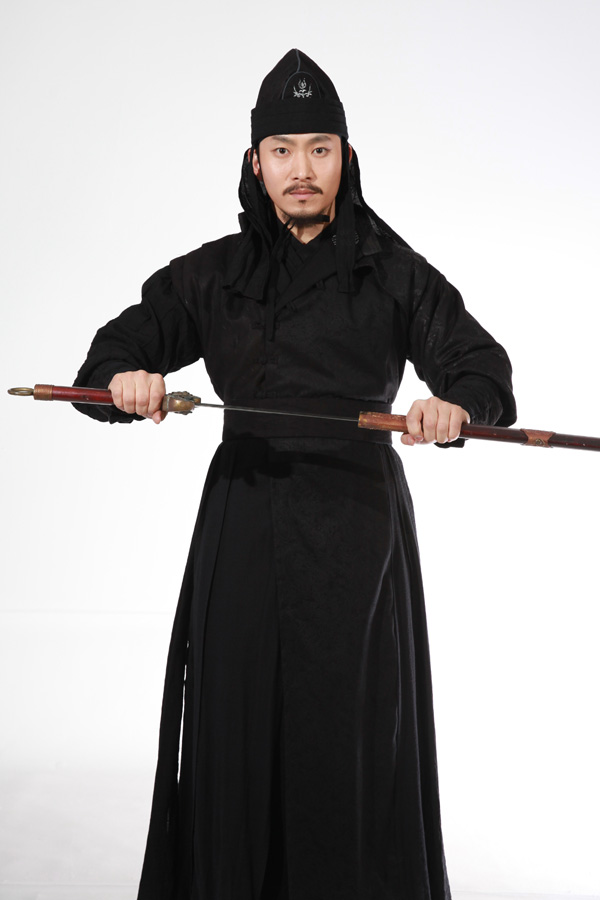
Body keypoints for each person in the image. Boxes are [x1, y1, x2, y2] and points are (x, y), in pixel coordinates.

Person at [73, 49, 516, 900]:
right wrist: (127, 382)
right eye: (282, 150)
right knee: (237, 720)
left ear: (346, 157)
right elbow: (110, 358)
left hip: (358, 534)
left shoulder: (392, 271)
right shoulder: (214, 273)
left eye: (319, 148)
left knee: (350, 731)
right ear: (256, 162)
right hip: (243, 522)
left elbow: (482, 368)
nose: (301, 168)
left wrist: (454, 406)